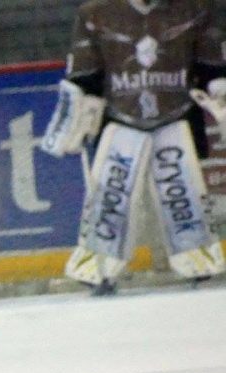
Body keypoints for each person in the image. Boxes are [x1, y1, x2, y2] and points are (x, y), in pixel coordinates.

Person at [41, 0, 226, 295]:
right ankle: (97, 264)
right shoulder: (95, 14)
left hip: (175, 116)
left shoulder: (195, 9)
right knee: (110, 196)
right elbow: (83, 76)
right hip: (120, 119)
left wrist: (220, 94)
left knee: (182, 192)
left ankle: (198, 257)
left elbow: (212, 67)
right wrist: (74, 119)